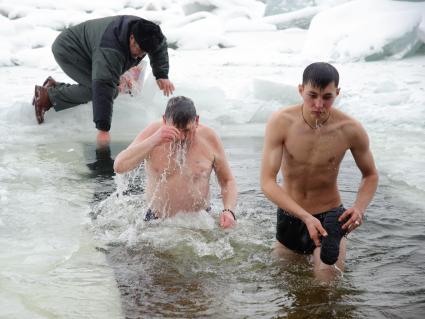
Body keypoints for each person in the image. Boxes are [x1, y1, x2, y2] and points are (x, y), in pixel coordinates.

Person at [260, 62, 378, 277]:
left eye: (327, 97)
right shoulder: (282, 122)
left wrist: (359, 209)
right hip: (290, 216)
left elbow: (370, 174)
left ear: (337, 93)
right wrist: (305, 217)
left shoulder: (350, 129)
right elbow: (267, 181)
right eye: (312, 95)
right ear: (300, 90)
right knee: (283, 284)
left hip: (330, 218)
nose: (318, 104)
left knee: (325, 288)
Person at [32, 15, 175, 147]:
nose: (139, 55)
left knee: (111, 85)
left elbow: (159, 47)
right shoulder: (112, 48)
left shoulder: (150, 33)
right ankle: (48, 96)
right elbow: (103, 86)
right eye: (138, 49)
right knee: (100, 90)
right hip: (69, 50)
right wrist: (103, 129)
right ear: (131, 38)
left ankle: (56, 87)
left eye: (144, 52)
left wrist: (161, 74)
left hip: (92, 50)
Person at [114, 96, 237, 228]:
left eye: (187, 130)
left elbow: (227, 181)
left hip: (200, 220)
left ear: (196, 120)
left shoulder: (209, 137)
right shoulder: (153, 132)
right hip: (157, 222)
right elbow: (120, 166)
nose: (182, 137)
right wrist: (154, 140)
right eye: (176, 130)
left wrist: (228, 210)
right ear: (164, 121)